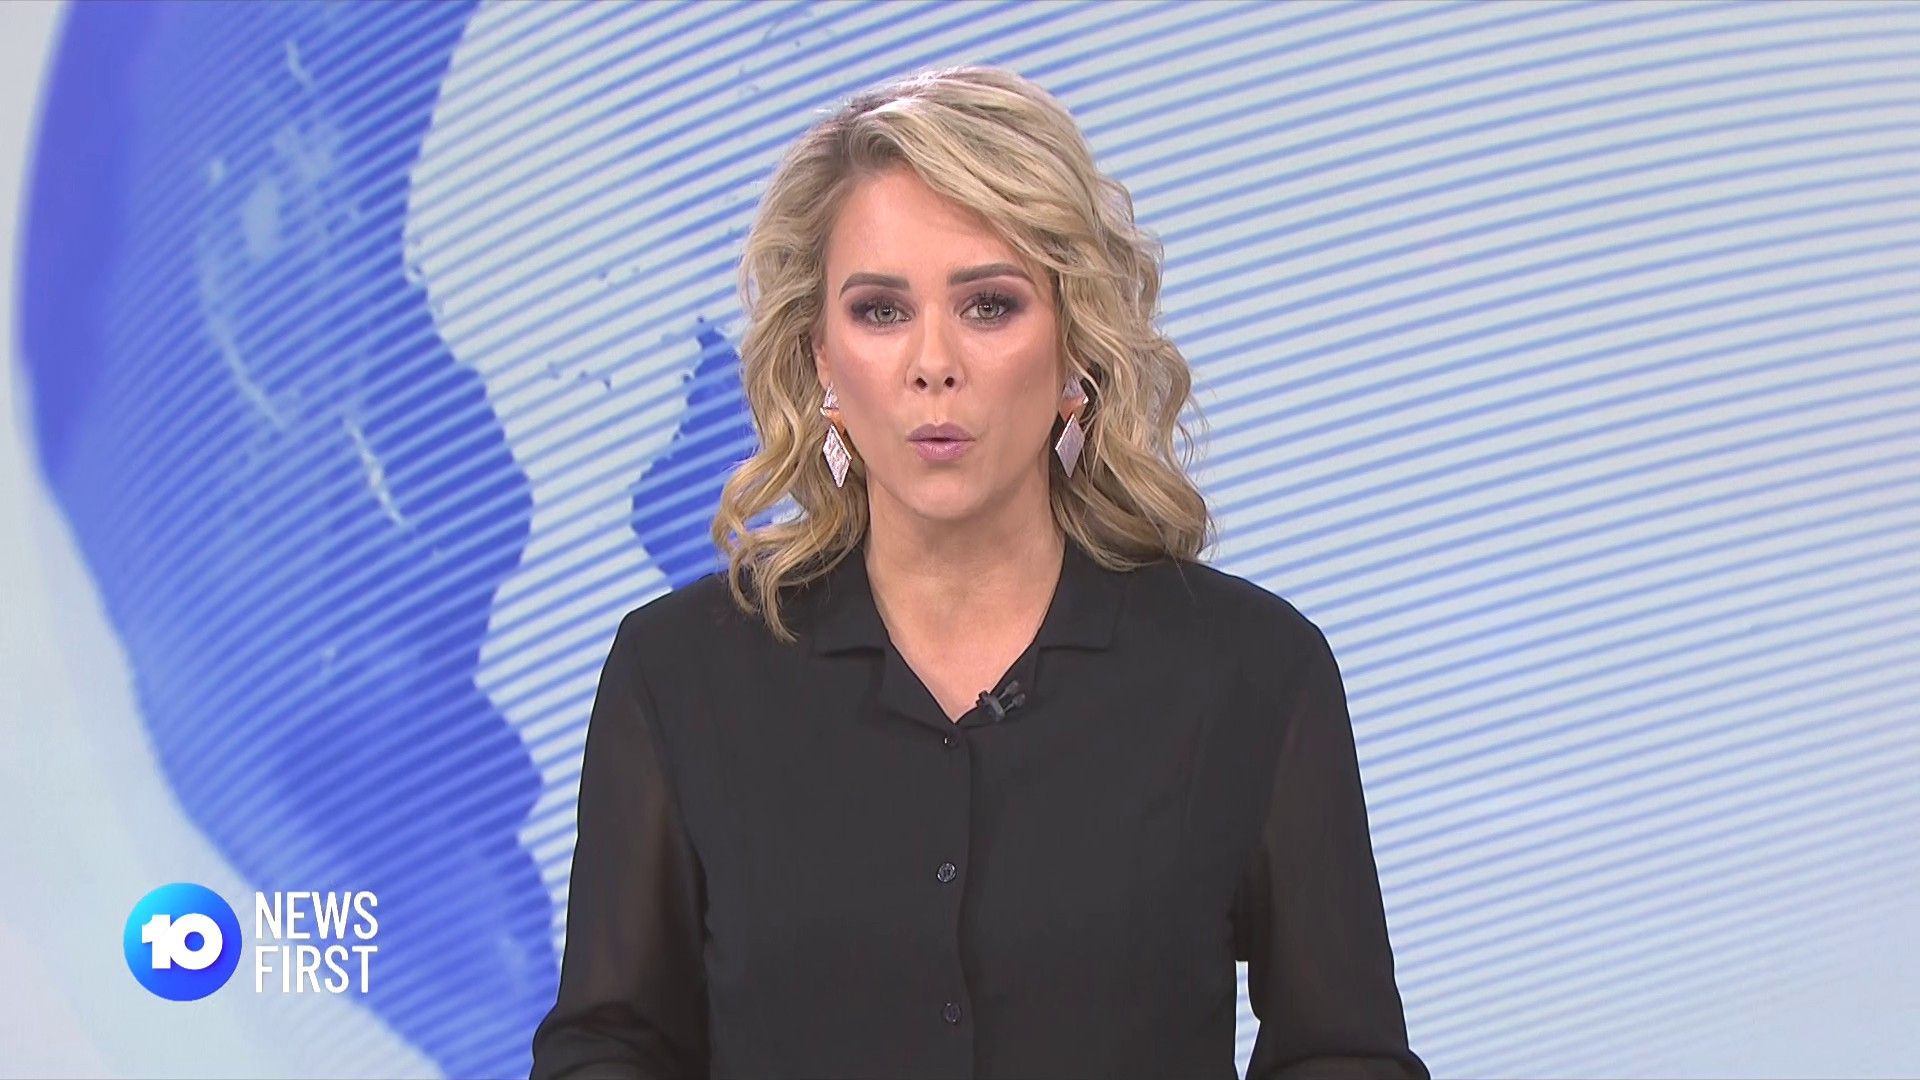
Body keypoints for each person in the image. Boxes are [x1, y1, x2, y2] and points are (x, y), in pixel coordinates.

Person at [528, 65, 1427, 1080]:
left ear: (1075, 346)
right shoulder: (679, 674)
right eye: (880, 311)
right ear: (820, 358)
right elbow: (608, 1046)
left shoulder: (1253, 672)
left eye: (989, 305)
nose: (933, 363)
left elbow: (1342, 1055)